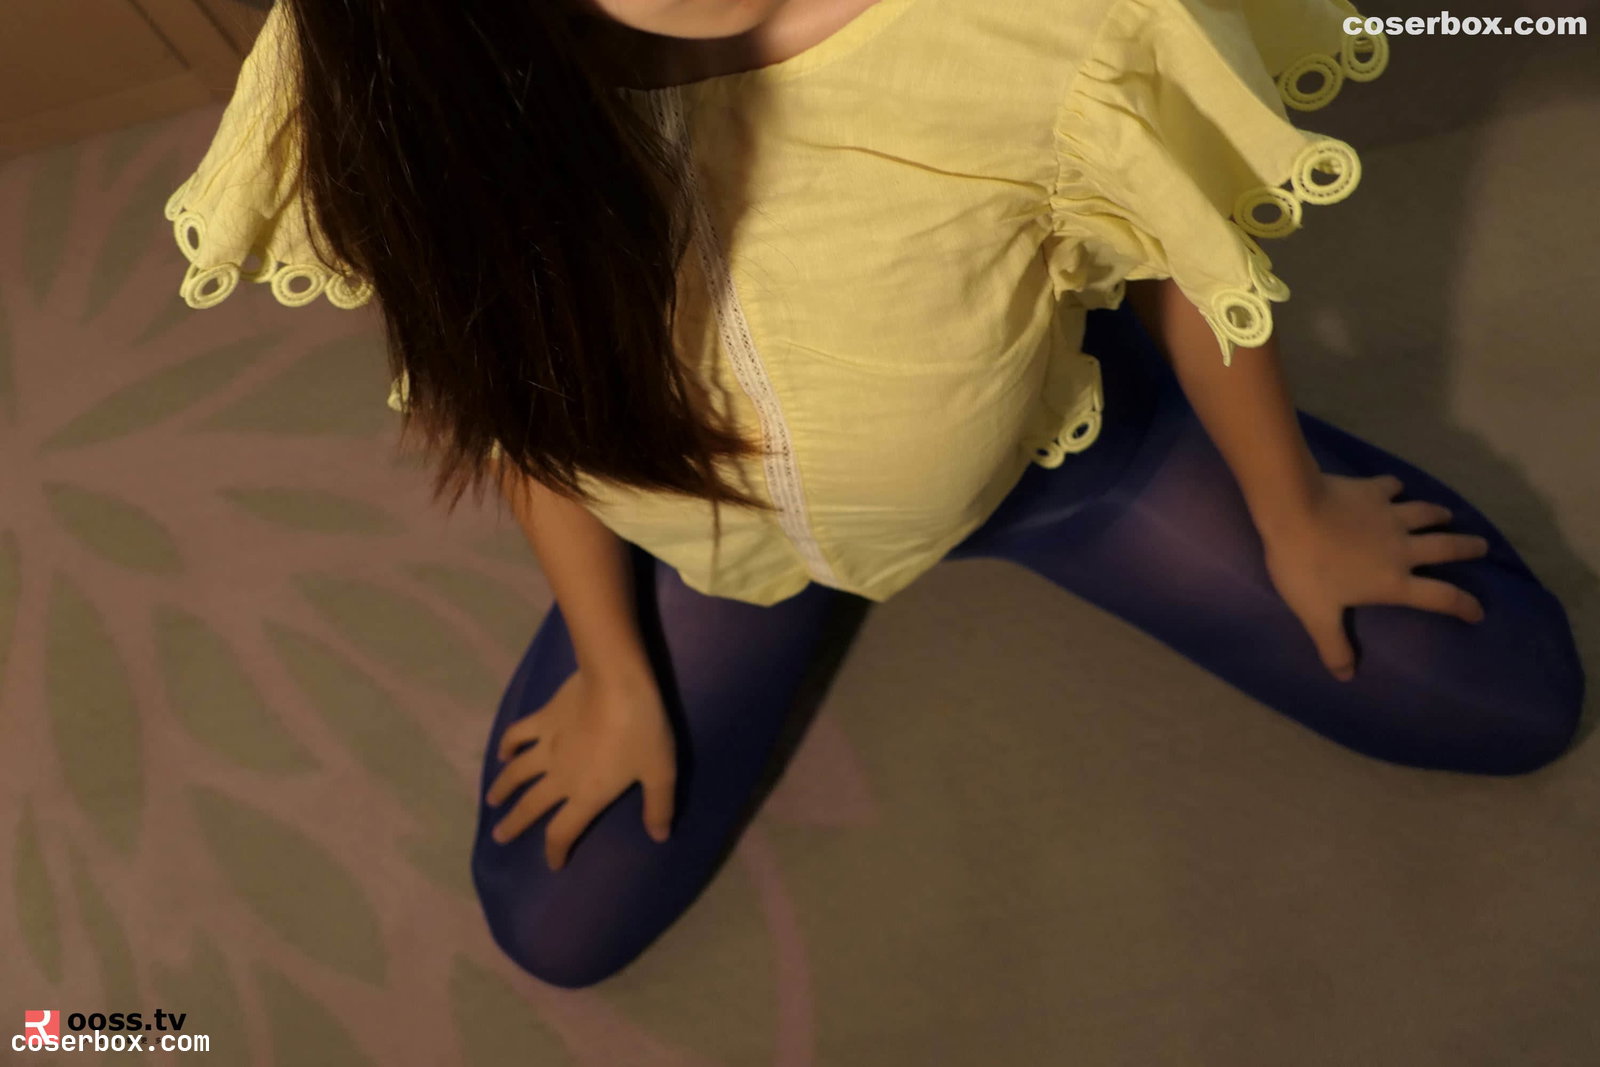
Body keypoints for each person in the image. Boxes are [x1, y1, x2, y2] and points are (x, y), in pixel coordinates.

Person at [164, 0, 1584, 990]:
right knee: (555, 920)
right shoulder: (398, 58)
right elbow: (514, 397)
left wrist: (1294, 514)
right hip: (709, 546)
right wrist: (613, 668)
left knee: (1504, 695)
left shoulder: (1049, 21)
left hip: (1052, 457)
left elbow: (1187, 258)